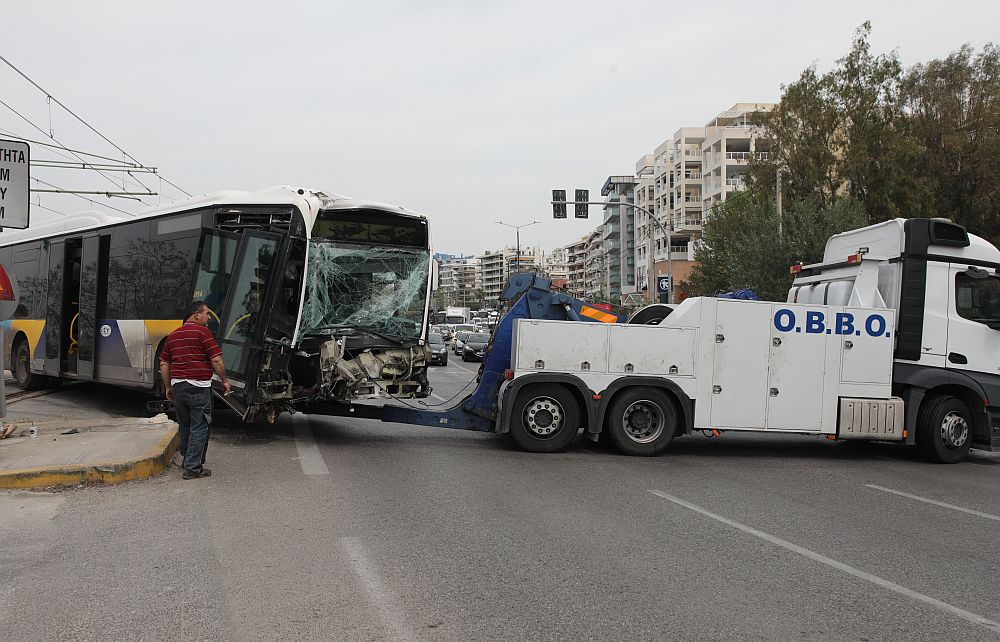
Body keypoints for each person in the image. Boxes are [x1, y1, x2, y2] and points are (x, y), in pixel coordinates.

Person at [159, 300, 231, 480]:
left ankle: (188, 462)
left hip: (178, 387)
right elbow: (216, 360)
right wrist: (224, 380)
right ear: (196, 314)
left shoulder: (173, 336)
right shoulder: (203, 333)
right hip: (198, 387)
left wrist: (168, 386)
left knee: (186, 425)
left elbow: (164, 363)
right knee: (200, 426)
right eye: (206, 313)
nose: (208, 317)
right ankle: (192, 468)